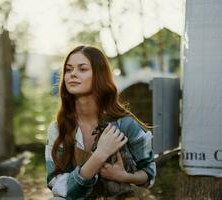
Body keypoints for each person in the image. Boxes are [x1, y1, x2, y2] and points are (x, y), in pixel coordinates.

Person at [45, 45, 156, 200]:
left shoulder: (125, 125)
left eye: (82, 69)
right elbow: (56, 186)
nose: (73, 74)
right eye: (69, 70)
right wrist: (99, 156)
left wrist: (123, 176)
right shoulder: (58, 129)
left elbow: (149, 173)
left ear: (99, 76)